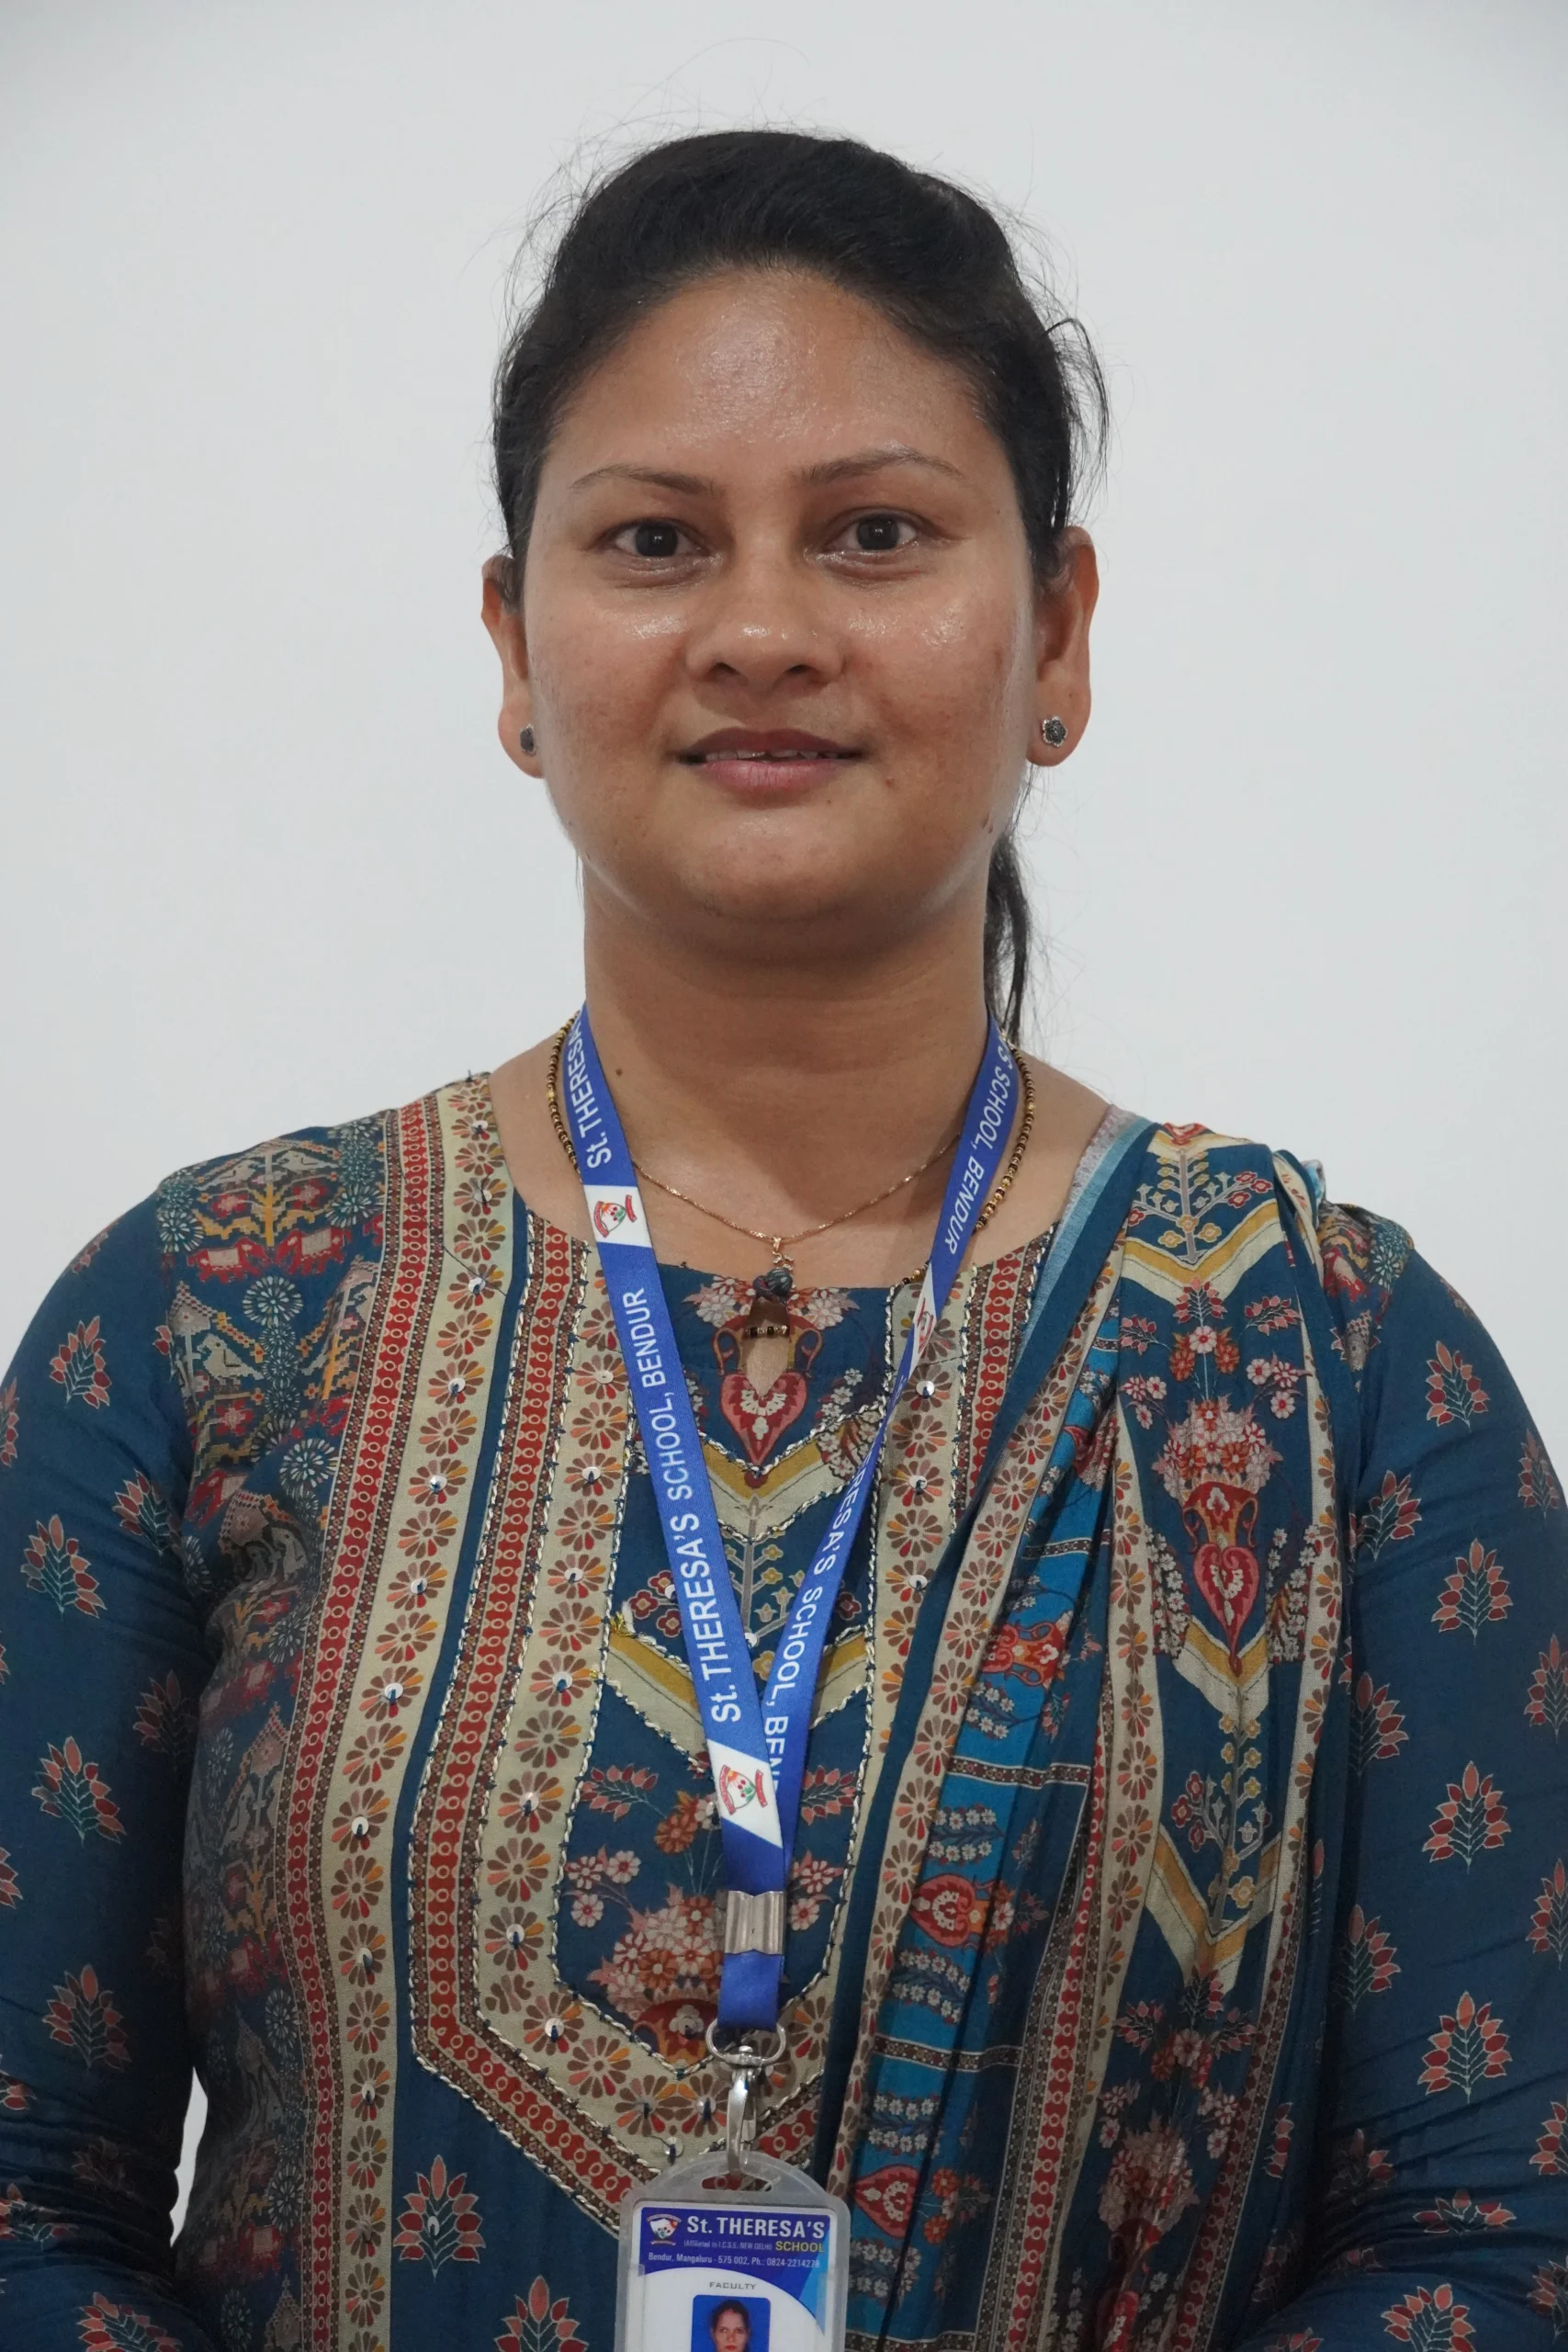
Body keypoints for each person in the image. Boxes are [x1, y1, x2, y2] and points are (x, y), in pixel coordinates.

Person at [0, 127, 1562, 2352]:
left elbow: (1498, 2235)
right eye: (654, 540)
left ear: (1058, 634)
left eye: (874, 534)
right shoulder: (206, 1314)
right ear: (513, 644)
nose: (760, 630)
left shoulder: (1337, 1358)